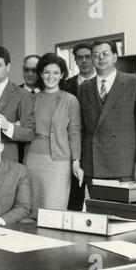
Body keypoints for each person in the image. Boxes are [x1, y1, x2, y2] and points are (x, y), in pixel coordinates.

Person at [79, 40, 136, 187]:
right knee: (96, 208)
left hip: (124, 164)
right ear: (92, 59)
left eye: (105, 54)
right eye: (96, 55)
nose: (101, 58)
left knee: (122, 209)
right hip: (93, 164)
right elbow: (81, 128)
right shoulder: (84, 87)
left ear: (115, 57)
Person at [25, 53, 83, 218]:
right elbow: (26, 128)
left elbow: (74, 132)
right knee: (32, 211)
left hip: (59, 163)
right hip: (33, 161)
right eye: (47, 72)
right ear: (41, 74)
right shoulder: (32, 99)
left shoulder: (70, 100)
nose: (51, 76)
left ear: (62, 75)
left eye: (56, 73)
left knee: (54, 213)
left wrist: (76, 162)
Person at [64, 42, 96, 211]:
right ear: (75, 60)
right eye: (80, 57)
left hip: (96, 149)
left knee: (98, 198)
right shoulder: (66, 85)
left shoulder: (103, 84)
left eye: (88, 56)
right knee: (74, 198)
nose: (84, 60)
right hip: (71, 149)